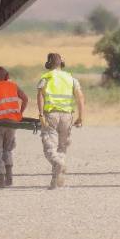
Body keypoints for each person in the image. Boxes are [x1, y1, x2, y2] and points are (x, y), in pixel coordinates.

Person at [37, 52, 85, 189]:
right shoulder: (71, 79)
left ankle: (58, 163)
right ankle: (56, 181)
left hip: (51, 115)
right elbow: (80, 98)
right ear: (62, 64)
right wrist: (80, 117)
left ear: (48, 64)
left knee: (49, 147)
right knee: (62, 147)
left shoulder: (46, 77)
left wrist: (41, 114)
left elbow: (40, 96)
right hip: (67, 116)